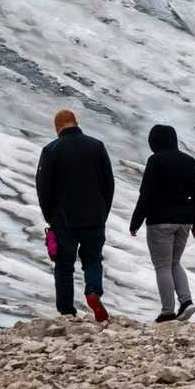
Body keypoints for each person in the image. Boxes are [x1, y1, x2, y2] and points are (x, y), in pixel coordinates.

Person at [35, 108, 114, 321]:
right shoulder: (97, 146)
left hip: (64, 219)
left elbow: (44, 188)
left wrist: (49, 216)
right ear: (76, 122)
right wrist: (103, 212)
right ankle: (93, 292)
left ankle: (67, 311)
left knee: (64, 265)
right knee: (93, 260)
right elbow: (109, 182)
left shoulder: (52, 150)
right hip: (95, 216)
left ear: (57, 128)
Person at [129, 124, 195, 323]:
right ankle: (186, 302)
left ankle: (167, 312)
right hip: (184, 221)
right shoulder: (189, 161)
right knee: (175, 263)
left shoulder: (155, 161)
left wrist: (136, 222)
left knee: (162, 266)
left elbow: (147, 194)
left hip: (161, 221)